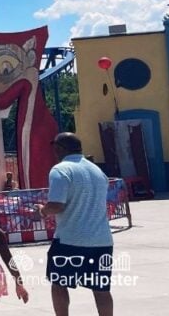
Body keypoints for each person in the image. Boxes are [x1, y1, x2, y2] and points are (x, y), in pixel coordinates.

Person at [35, 133, 115, 316]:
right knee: (101, 289)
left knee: (59, 284)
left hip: (70, 239)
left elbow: (56, 205)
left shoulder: (60, 169)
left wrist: (41, 211)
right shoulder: (97, 171)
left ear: (60, 148)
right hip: (101, 240)